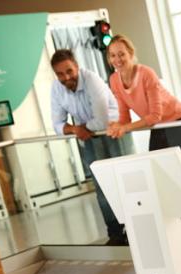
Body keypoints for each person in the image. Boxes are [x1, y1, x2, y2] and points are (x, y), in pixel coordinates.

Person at [104, 34, 181, 242]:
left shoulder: (146, 74)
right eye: (112, 55)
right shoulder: (114, 80)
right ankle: (169, 230)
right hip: (158, 126)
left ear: (131, 54)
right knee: (155, 179)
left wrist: (125, 127)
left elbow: (155, 115)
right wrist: (117, 125)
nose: (117, 59)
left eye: (121, 54)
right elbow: (124, 117)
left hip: (176, 121)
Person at [49, 49, 129, 246]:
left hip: (113, 131)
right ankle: (115, 233)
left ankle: (135, 227)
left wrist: (79, 129)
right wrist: (76, 129)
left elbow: (102, 120)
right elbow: (57, 124)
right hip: (90, 136)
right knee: (101, 187)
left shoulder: (91, 79)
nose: (66, 77)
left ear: (77, 66)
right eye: (60, 74)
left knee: (124, 180)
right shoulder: (56, 88)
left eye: (69, 71)